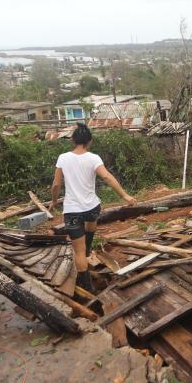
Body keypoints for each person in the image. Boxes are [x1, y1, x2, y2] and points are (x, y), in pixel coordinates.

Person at [50, 123, 137, 291]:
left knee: (79, 252)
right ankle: (88, 245)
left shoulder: (63, 158)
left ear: (73, 140)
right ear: (89, 141)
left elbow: (56, 185)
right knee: (91, 220)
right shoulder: (94, 158)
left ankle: (87, 286)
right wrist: (125, 195)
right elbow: (107, 177)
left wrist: (54, 200)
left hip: (72, 211)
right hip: (92, 208)